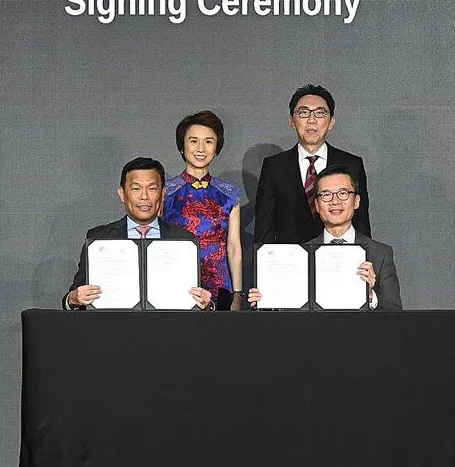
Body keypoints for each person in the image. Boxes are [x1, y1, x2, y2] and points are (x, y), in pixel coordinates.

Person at [64, 157, 213, 310]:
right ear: (122, 193)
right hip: (113, 329)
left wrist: (206, 304)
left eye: (152, 189)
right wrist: (73, 299)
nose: (144, 197)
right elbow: (74, 296)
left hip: (168, 329)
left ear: (163, 194)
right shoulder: (98, 238)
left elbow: (198, 300)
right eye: (136, 189)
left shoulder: (185, 241)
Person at [248, 165, 401, 310]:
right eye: (326, 195)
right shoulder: (299, 256)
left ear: (356, 201)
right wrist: (264, 301)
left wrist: (370, 296)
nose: (335, 201)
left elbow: (395, 314)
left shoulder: (380, 254)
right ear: (317, 205)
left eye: (343, 193)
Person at [253, 84, 370, 244]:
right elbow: (264, 227)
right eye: (303, 113)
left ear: (331, 122)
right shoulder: (274, 167)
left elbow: (361, 222)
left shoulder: (351, 164)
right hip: (290, 260)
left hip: (338, 258)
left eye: (320, 113)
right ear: (292, 122)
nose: (312, 120)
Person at [162, 111, 244, 310]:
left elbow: (233, 247)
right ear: (182, 146)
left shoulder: (229, 194)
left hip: (220, 287)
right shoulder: (165, 192)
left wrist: (238, 295)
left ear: (217, 148)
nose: (200, 149)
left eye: (208, 141)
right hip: (175, 283)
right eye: (193, 141)